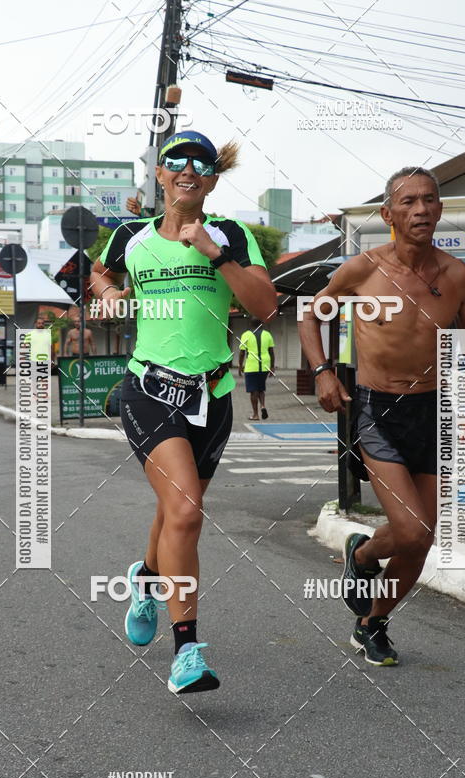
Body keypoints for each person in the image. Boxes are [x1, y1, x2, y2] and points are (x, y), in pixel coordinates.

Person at [92, 130, 276, 694]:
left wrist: (214, 254)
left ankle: (146, 580)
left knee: (177, 511)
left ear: (212, 179)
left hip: (213, 396)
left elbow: (265, 306)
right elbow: (100, 272)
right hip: (149, 390)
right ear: (161, 175)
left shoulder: (232, 235)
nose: (187, 170)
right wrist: (106, 292)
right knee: (189, 512)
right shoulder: (129, 235)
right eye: (176, 162)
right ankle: (187, 652)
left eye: (200, 163)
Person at [299, 166, 465, 666]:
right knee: (413, 531)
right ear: (388, 214)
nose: (421, 210)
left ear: (440, 209)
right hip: (377, 409)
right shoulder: (362, 270)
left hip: (436, 410)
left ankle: (372, 620)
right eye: (409, 202)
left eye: (430, 200)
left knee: (423, 539)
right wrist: (325, 373)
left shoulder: (458, 275)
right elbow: (311, 315)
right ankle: (365, 555)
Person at [238, 318, 275, 420]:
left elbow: (242, 352)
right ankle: (262, 405)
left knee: (253, 391)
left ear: (250, 324)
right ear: (261, 324)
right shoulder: (267, 334)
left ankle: (255, 414)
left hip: (251, 366)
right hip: (265, 366)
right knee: (261, 388)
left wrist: (240, 366)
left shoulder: (246, 335)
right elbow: (271, 352)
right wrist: (272, 366)